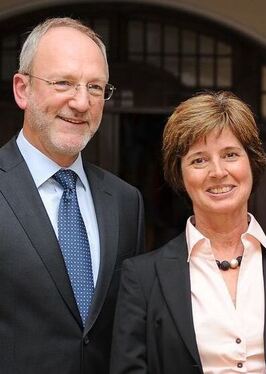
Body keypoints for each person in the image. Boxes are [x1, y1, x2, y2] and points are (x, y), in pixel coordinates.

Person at [110, 91, 266, 374]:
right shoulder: (142, 278)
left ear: (252, 162)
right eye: (199, 160)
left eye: (230, 154)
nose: (217, 172)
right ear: (180, 175)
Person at [0, 18, 145, 373]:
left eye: (95, 87)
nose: (81, 102)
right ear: (23, 89)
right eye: (63, 82)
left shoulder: (126, 202)